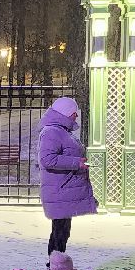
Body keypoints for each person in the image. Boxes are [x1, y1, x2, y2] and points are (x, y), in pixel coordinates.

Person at [37, 95, 97, 257]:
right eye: (73, 112)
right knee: (59, 233)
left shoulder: (61, 131)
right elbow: (47, 159)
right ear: (65, 113)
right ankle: (55, 269)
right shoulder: (52, 132)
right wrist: (76, 163)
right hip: (59, 189)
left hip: (63, 189)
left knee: (62, 232)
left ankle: (57, 267)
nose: (76, 115)